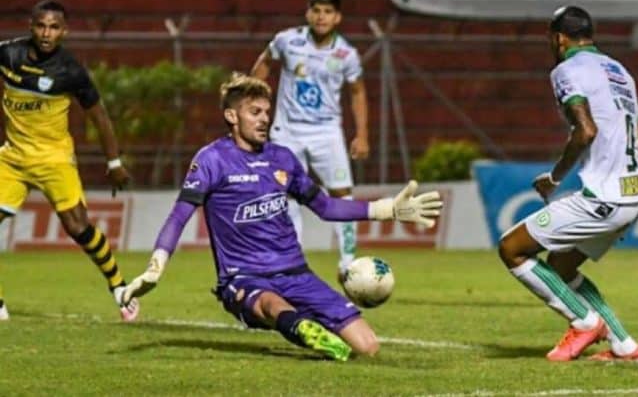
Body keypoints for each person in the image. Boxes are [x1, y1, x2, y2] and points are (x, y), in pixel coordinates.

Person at [121, 74, 441, 361]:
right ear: (232, 116)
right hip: (244, 277)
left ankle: (304, 325)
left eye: (266, 111)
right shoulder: (212, 160)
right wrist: (155, 267)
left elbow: (326, 207)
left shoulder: (282, 158)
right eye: (254, 112)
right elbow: (179, 216)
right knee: (271, 305)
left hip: (296, 273)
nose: (264, 119)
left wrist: (388, 209)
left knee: (368, 347)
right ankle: (302, 328)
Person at [497, 6, 638, 362]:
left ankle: (584, 322)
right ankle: (625, 346)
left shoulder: (567, 70)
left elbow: (586, 131)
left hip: (603, 200)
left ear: (559, 38)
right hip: (634, 194)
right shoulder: (620, 71)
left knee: (512, 248)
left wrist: (554, 179)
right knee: (562, 267)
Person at [0, 0, 137, 321]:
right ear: (31, 26)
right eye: (41, 26)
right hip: (13, 159)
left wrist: (114, 163)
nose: (46, 33)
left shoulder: (71, 71)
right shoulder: (8, 54)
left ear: (64, 31)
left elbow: (99, 117)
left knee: (78, 227)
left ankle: (118, 285)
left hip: (54, 159)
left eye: (54, 27)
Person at [250, 0, 369, 283]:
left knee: (341, 192)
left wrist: (362, 134)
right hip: (287, 131)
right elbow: (265, 62)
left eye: (328, 12)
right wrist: (251, 100)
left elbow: (357, 92)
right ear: (308, 13)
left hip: (327, 132)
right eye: (316, 10)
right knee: (287, 194)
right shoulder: (287, 41)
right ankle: (293, 261)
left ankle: (348, 263)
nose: (321, 17)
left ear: (337, 17)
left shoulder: (346, 54)